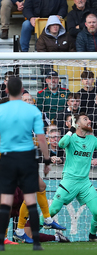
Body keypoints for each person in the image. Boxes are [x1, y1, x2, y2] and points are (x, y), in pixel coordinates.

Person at [43, 113, 97, 242]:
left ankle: (92, 236)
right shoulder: (71, 138)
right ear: (78, 124)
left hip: (84, 182)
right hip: (69, 181)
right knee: (53, 210)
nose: (89, 121)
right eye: (85, 119)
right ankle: (27, 230)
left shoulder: (92, 140)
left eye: (89, 118)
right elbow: (61, 144)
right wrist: (71, 129)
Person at [0, 77, 52, 251]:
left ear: (6, 91)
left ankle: (1, 241)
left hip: (7, 157)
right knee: (30, 200)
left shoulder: (1, 110)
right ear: (22, 90)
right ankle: (36, 242)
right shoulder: (33, 111)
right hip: (27, 158)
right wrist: (47, 160)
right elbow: (42, 139)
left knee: (5, 200)